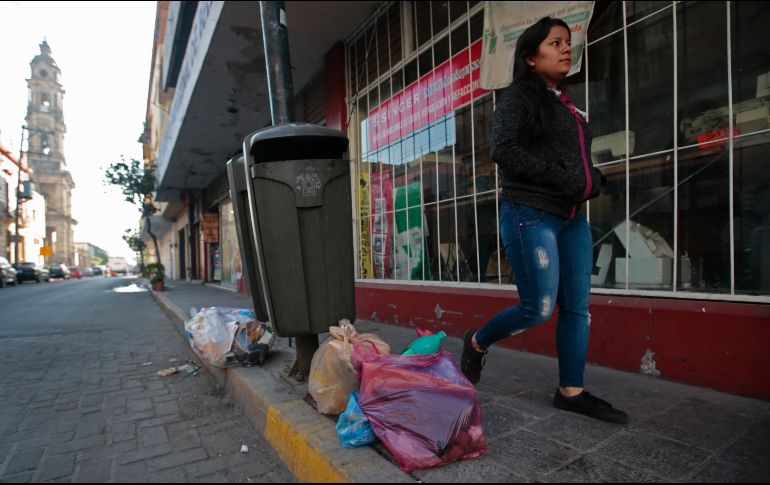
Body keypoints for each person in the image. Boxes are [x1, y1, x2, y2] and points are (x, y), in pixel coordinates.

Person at [460, 17, 628, 424]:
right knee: (538, 307)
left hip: (572, 220)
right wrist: (564, 178)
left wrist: (595, 179)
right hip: (530, 214)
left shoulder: (567, 105)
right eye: (555, 43)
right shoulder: (518, 98)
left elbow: (576, 162)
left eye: (568, 43)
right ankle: (478, 341)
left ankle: (570, 391)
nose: (566, 49)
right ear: (532, 57)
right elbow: (503, 149)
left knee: (577, 309)